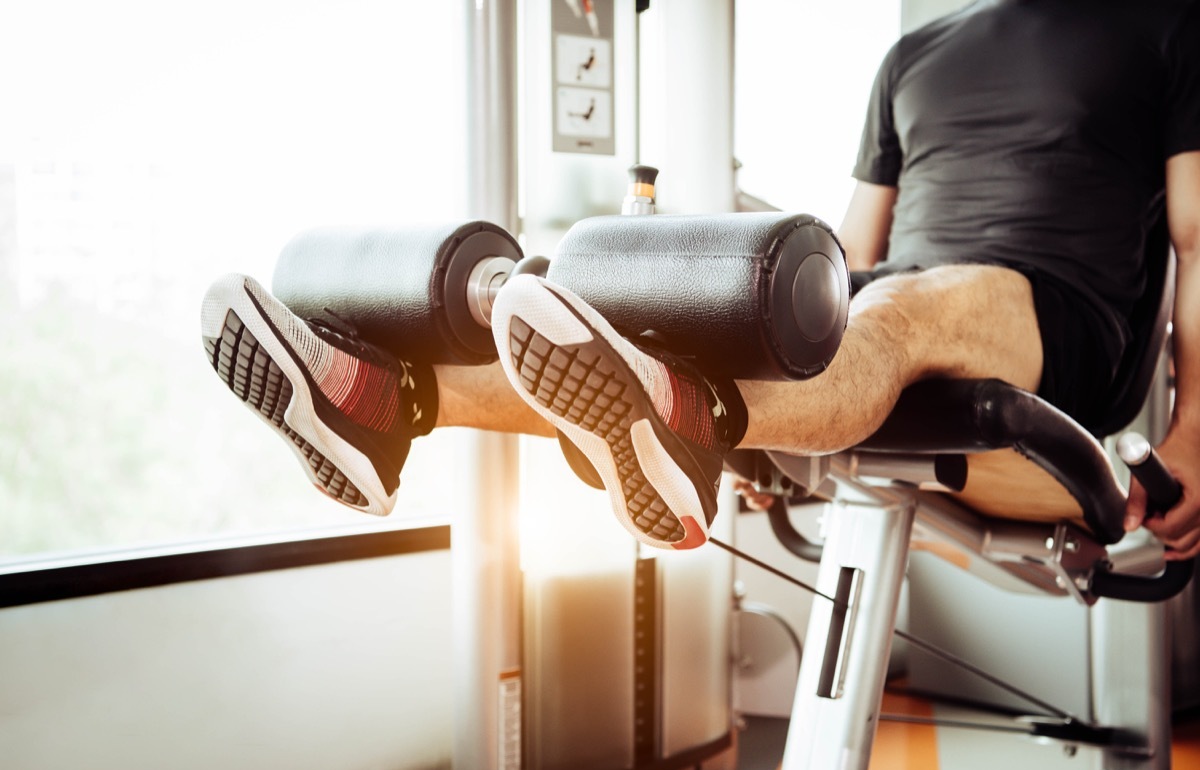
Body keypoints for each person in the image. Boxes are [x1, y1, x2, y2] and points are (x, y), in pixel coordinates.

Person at [200, 0, 1200, 560]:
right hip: (897, 300)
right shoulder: (916, 56)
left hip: (1057, 338)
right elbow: (853, 252)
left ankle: (684, 412)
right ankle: (390, 402)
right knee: (618, 304)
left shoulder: (1166, 29)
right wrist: (737, 331)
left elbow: (1198, 245)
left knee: (900, 304)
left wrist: (1194, 434)